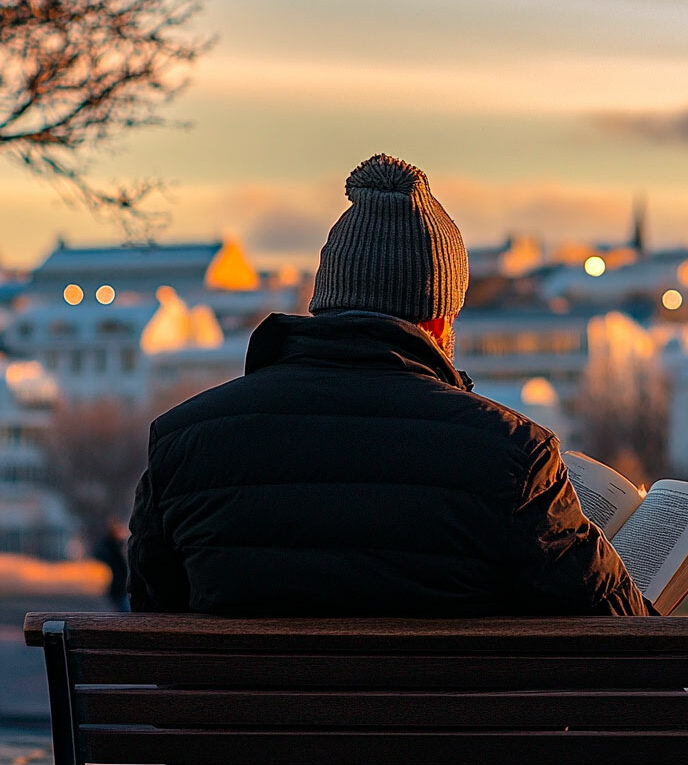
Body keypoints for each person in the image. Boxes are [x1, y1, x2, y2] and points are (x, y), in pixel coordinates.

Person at [127, 153, 650, 616]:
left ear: (324, 300)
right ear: (440, 320)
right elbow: (621, 640)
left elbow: (154, 613)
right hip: (445, 729)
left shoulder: (183, 443)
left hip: (238, 728)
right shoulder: (512, 457)